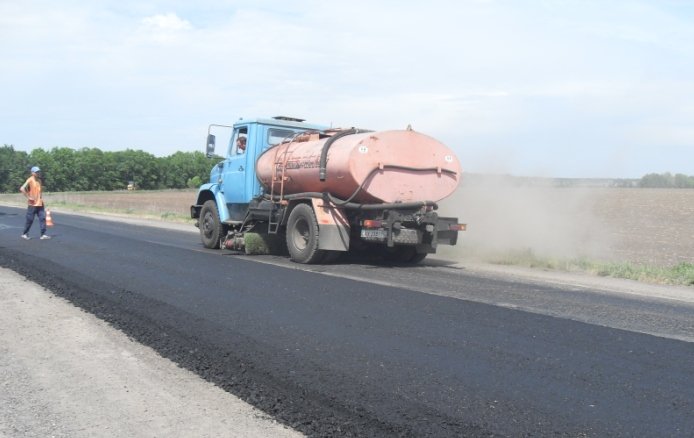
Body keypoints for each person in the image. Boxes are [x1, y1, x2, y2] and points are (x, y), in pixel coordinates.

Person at [19, 166, 51, 240]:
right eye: (36, 172)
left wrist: (41, 199)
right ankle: (24, 234)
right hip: (32, 204)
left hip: (40, 203)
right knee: (30, 219)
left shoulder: (39, 181)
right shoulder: (30, 180)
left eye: (38, 172)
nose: (38, 173)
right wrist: (28, 197)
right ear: (32, 173)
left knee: (42, 218)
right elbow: (22, 188)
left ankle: (43, 235)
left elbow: (40, 192)